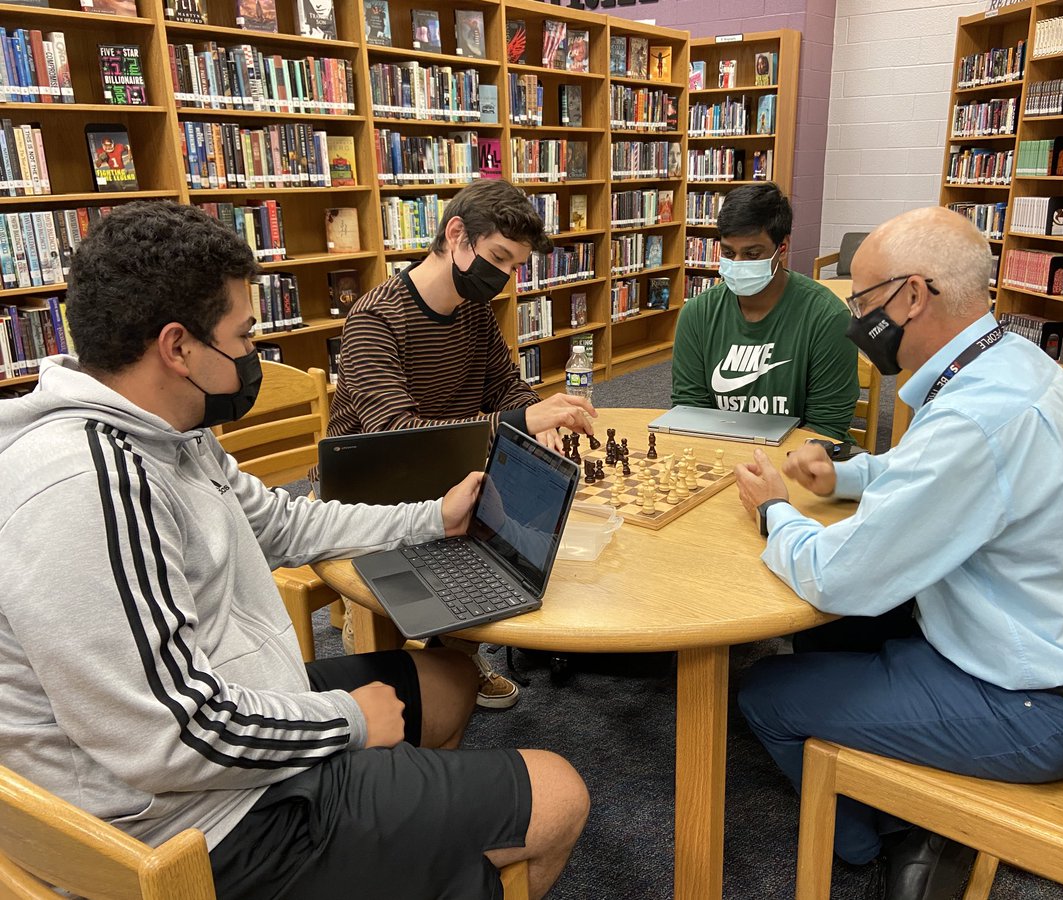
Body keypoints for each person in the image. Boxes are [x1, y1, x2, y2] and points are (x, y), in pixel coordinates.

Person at [0, 201, 589, 900]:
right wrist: (347, 721)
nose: (254, 354)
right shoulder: (91, 486)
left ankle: (406, 856)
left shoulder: (170, 433)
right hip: (194, 821)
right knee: (558, 794)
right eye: (244, 336)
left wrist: (434, 516)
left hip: (229, 711)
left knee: (450, 682)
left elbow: (283, 525)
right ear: (177, 348)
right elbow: (173, 735)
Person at [733, 206, 1063, 900]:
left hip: (1043, 705)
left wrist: (775, 510)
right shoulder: (1006, 364)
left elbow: (839, 576)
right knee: (839, 635)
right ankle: (908, 781)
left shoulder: (977, 417)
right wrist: (854, 474)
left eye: (863, 301)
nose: (856, 318)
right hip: (1060, 649)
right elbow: (946, 476)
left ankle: (885, 835)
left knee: (766, 691)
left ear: (913, 295)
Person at [325, 178, 597, 708]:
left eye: (514, 267)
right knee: (486, 527)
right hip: (373, 486)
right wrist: (521, 417)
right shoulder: (375, 319)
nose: (502, 277)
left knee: (531, 522)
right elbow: (399, 438)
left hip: (449, 469)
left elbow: (505, 386)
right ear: (457, 235)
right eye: (497, 257)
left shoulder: (473, 312)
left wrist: (539, 417)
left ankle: (455, 643)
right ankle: (390, 631)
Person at [670, 182, 860, 442]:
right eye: (728, 252)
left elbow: (827, 426)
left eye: (752, 254)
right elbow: (689, 409)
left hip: (799, 460)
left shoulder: (827, 318)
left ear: (782, 248)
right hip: (721, 452)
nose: (737, 264)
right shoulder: (697, 314)